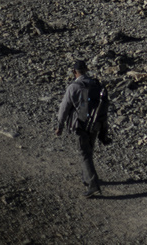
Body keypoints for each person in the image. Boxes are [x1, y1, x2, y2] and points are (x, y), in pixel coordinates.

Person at [54, 59, 109, 197]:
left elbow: (64, 108)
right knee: (89, 151)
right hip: (96, 124)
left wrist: (59, 126)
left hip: (80, 125)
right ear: (86, 70)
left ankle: (93, 185)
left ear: (74, 72)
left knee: (84, 154)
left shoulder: (73, 87)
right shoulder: (96, 84)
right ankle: (88, 178)